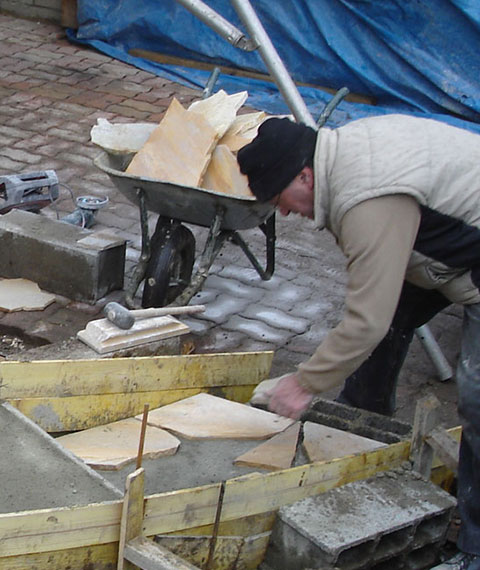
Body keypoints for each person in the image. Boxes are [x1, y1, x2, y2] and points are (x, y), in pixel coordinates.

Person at [237, 115, 480, 570]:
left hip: (470, 245)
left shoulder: (365, 198)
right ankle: (360, 431)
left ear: (304, 175)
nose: (284, 212)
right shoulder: (342, 156)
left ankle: (476, 549)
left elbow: (366, 321)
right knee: (384, 323)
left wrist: (303, 384)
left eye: (280, 199)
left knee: (478, 400)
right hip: (447, 239)